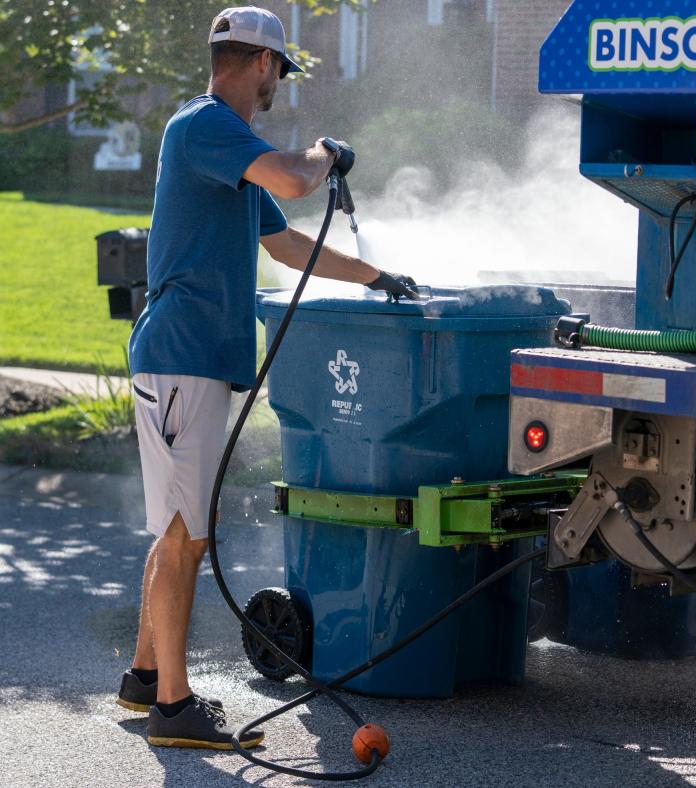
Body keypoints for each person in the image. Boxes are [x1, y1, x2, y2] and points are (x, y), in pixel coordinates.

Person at [116, 5, 417, 750]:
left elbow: (285, 245)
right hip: (183, 357)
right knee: (187, 537)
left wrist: (380, 276)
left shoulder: (228, 150)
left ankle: (146, 678)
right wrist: (324, 153)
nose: (279, 80)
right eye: (280, 68)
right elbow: (292, 180)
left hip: (188, 359)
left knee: (177, 531)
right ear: (260, 64)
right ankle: (176, 712)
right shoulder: (208, 126)